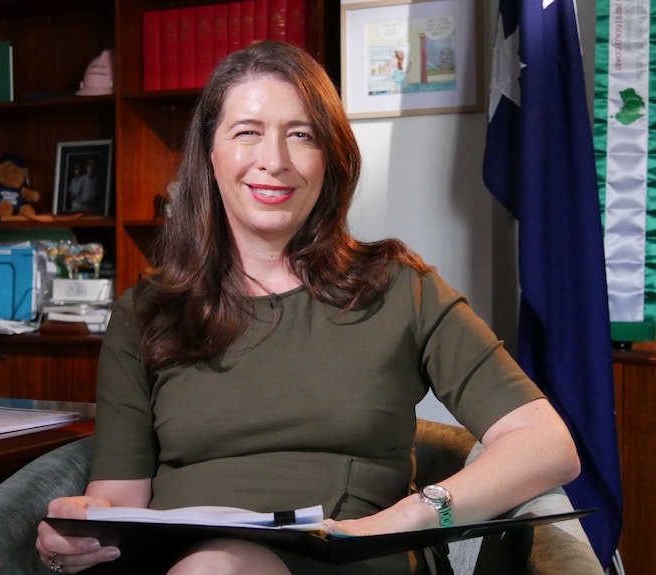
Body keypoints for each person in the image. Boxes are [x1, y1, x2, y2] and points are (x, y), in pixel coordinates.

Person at [36, 40, 580, 574]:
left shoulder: (399, 287)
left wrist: (411, 515)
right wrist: (82, 531)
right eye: (247, 133)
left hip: (356, 558)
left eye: (301, 135)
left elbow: (547, 443)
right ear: (210, 153)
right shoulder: (145, 313)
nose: (274, 161)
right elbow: (118, 497)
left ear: (330, 156)